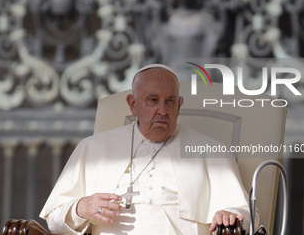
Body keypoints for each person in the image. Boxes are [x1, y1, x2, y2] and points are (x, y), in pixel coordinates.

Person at [40, 64, 258, 234]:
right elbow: (54, 220)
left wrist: (230, 214)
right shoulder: (93, 148)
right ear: (133, 105)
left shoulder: (211, 151)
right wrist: (81, 206)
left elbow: (246, 214)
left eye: (170, 101)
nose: (162, 110)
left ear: (179, 105)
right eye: (153, 101)